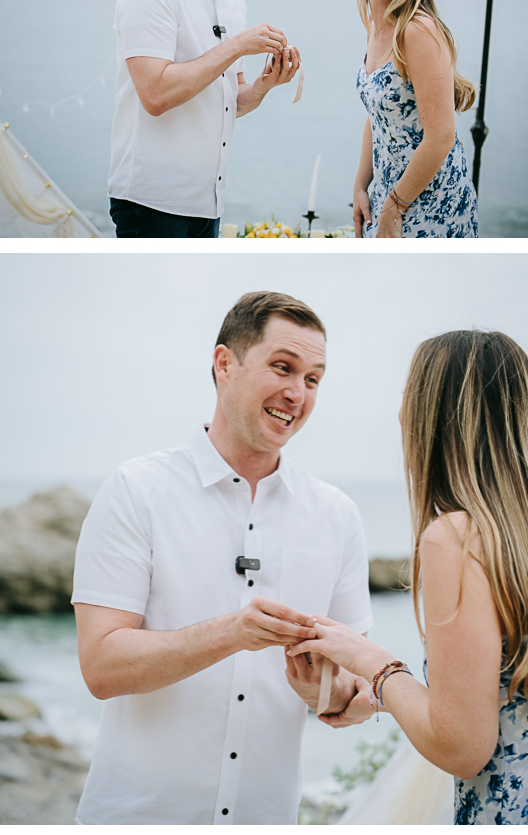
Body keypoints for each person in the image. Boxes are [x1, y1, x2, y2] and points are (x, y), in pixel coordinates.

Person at [288, 330, 528, 824]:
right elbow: (514, 697)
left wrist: (375, 664)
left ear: (435, 419)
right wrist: (385, 702)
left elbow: (464, 748)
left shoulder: (454, 538)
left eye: (410, 399)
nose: (401, 415)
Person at [72, 291, 374, 824]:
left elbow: (357, 688)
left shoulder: (337, 514)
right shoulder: (136, 490)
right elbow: (101, 667)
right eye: (283, 367)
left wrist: (330, 694)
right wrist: (233, 633)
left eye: (312, 379)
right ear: (224, 365)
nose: (297, 393)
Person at [108, 0, 301, 238]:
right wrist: (238, 46)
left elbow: (232, 101)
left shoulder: (233, 0)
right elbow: (155, 95)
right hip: (151, 202)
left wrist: (264, 86)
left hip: (207, 203)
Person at [351, 0, 478, 238]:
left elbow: (441, 137)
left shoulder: (417, 30)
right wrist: (360, 186)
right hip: (389, 192)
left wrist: (394, 207)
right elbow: (378, 114)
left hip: (429, 199)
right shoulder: (376, 29)